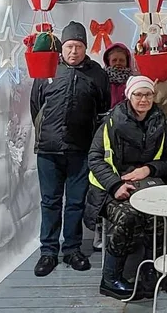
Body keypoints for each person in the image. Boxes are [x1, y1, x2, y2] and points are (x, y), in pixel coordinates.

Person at [30, 21, 111, 278]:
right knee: (50, 202)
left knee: (75, 202)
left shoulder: (98, 73)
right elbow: (36, 106)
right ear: (61, 48)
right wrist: (46, 133)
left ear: (85, 48)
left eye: (78, 46)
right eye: (68, 46)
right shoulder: (48, 69)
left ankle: (73, 249)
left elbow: (103, 109)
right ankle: (48, 251)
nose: (73, 51)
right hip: (48, 150)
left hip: (81, 149)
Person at [84, 75, 167, 300]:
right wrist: (115, 186)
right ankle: (110, 278)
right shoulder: (111, 122)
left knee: (158, 216)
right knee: (129, 217)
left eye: (148, 94)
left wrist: (149, 169)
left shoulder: (160, 122)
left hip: (144, 184)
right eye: (138, 94)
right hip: (109, 189)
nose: (143, 99)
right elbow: (95, 158)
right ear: (129, 96)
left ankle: (151, 272)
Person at [103, 42, 133, 108]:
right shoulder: (102, 80)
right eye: (114, 60)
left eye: (121, 60)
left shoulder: (132, 82)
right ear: (108, 62)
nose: (118, 63)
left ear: (127, 62)